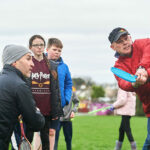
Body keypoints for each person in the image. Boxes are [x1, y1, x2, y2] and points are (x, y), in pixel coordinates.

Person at [108, 27, 150, 150]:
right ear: (113, 47)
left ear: (130, 38)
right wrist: (134, 84)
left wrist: (144, 69)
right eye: (120, 41)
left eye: (126, 38)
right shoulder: (119, 66)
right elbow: (123, 84)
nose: (125, 42)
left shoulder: (142, 44)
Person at [0, 44, 45, 150]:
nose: (32, 64)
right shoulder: (19, 86)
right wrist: (37, 111)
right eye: (28, 59)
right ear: (14, 62)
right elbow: (36, 123)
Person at [28, 35, 63, 150]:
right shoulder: (27, 63)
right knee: (28, 140)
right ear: (30, 47)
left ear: (44, 47)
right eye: (36, 45)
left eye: (41, 45)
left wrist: (55, 110)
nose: (39, 47)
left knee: (46, 142)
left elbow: (56, 89)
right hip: (30, 109)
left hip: (46, 110)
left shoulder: (52, 65)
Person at [46, 38, 72, 150]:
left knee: (52, 133)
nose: (57, 52)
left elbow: (68, 84)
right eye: (54, 49)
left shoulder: (64, 67)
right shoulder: (41, 64)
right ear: (47, 49)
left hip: (57, 106)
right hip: (43, 106)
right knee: (40, 134)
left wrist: (65, 99)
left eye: (59, 50)